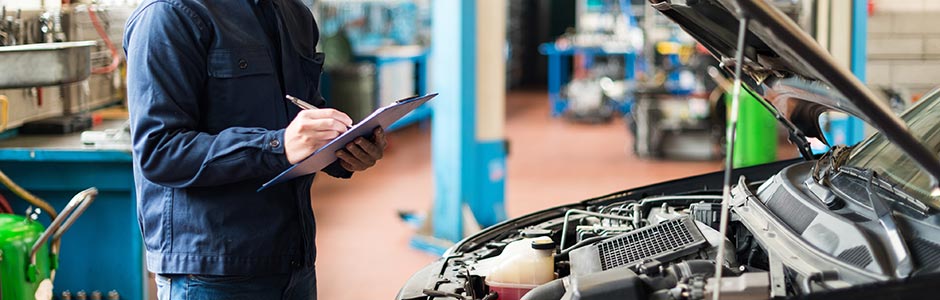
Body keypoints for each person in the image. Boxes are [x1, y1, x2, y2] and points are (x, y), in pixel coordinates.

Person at [123, 0, 386, 299]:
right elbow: (160, 150)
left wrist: (345, 150)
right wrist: (276, 145)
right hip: (211, 272)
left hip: (293, 262)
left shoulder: (294, 14)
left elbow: (302, 119)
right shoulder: (169, 14)